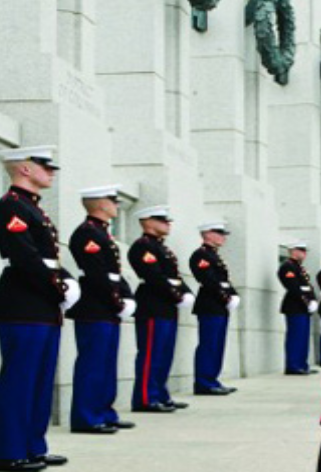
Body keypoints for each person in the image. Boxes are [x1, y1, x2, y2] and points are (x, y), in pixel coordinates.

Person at [0, 146, 76, 472]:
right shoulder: (11, 208)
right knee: (19, 377)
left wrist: (64, 282)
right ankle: (4, 451)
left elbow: (46, 259)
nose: (51, 172)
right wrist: (59, 286)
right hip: (22, 300)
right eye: (44, 166)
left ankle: (32, 444)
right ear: (23, 168)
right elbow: (23, 258)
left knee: (39, 379)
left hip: (41, 300)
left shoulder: (32, 208)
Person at [66, 185, 137, 434]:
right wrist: (117, 301)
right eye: (112, 201)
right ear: (99, 204)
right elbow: (96, 274)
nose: (116, 206)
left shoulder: (102, 233)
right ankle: (86, 417)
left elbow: (114, 274)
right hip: (95, 306)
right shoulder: (88, 233)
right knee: (92, 364)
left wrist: (126, 297)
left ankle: (104, 412)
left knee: (106, 364)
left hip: (106, 306)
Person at [129, 206, 195, 412]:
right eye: (161, 220)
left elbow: (174, 277)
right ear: (147, 222)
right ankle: (146, 398)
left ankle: (160, 394)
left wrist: (186, 292)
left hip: (166, 305)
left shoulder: (162, 248)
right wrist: (177, 294)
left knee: (164, 354)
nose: (167, 224)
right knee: (151, 354)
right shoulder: (143, 246)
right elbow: (154, 276)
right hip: (153, 304)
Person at [190, 221, 241, 395]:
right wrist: (226, 296)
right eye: (219, 233)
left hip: (219, 304)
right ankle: (204, 382)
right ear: (207, 234)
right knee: (209, 344)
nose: (223, 237)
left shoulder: (214, 256)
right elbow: (209, 280)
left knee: (218, 344)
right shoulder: (201, 255)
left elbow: (224, 280)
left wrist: (233, 294)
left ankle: (212, 379)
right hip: (210, 304)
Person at [278, 241, 318, 375]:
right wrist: (307, 301)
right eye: (301, 250)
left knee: (303, 337)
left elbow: (307, 287)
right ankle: (293, 365)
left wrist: (312, 300)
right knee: (296, 337)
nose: (304, 253)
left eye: (304, 251)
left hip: (303, 307)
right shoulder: (288, 267)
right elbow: (294, 287)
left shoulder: (299, 268)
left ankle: (302, 364)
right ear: (292, 251)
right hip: (295, 306)